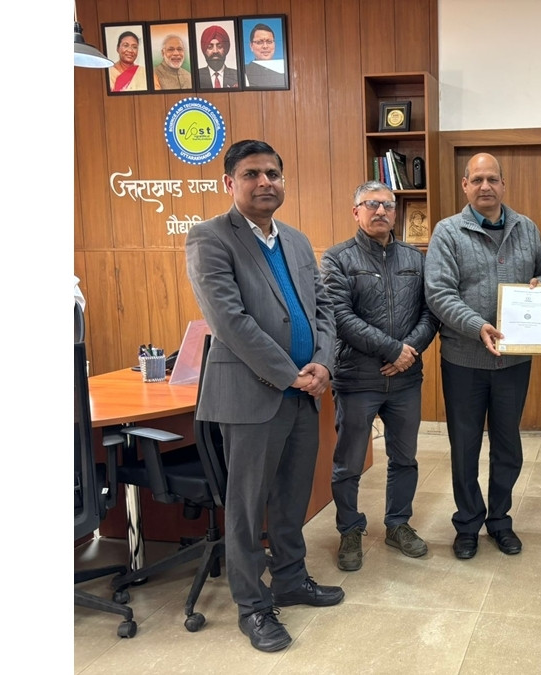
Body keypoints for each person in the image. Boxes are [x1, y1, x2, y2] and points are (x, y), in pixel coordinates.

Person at [185, 140, 342, 652]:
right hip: (252, 395)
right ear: (229, 182)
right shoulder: (210, 238)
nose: (264, 182)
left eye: (272, 173)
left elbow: (322, 307)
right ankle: (252, 606)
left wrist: (323, 363)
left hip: (304, 393)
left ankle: (291, 580)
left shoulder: (295, 240)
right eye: (251, 174)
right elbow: (229, 321)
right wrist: (289, 373)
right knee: (248, 507)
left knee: (293, 497)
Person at [424, 152, 541, 561]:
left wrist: (540, 285)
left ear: (503, 184)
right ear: (465, 185)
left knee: (508, 446)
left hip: (514, 362)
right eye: (477, 179)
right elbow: (439, 293)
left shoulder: (526, 228)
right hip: (464, 360)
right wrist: (477, 325)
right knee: (465, 447)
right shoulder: (448, 232)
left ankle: (499, 521)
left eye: (492, 179)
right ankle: (467, 523)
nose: (485, 186)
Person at [321, 181, 438, 572]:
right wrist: (392, 349)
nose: (381, 211)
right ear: (356, 211)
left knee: (405, 459)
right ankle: (350, 529)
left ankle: (398, 524)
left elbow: (430, 313)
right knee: (349, 463)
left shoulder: (415, 257)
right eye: (371, 204)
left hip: (406, 380)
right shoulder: (338, 258)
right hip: (357, 379)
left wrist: (408, 353)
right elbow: (339, 316)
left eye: (388, 205)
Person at [196, 24, 239, 89]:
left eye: (219, 46)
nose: (215, 51)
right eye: (210, 47)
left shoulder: (237, 75)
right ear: (204, 50)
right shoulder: (196, 76)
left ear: (226, 49)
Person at [244, 23, 286, 88]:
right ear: (251, 46)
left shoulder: (284, 69)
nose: (265, 46)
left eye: (269, 42)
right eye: (259, 42)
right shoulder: (244, 71)